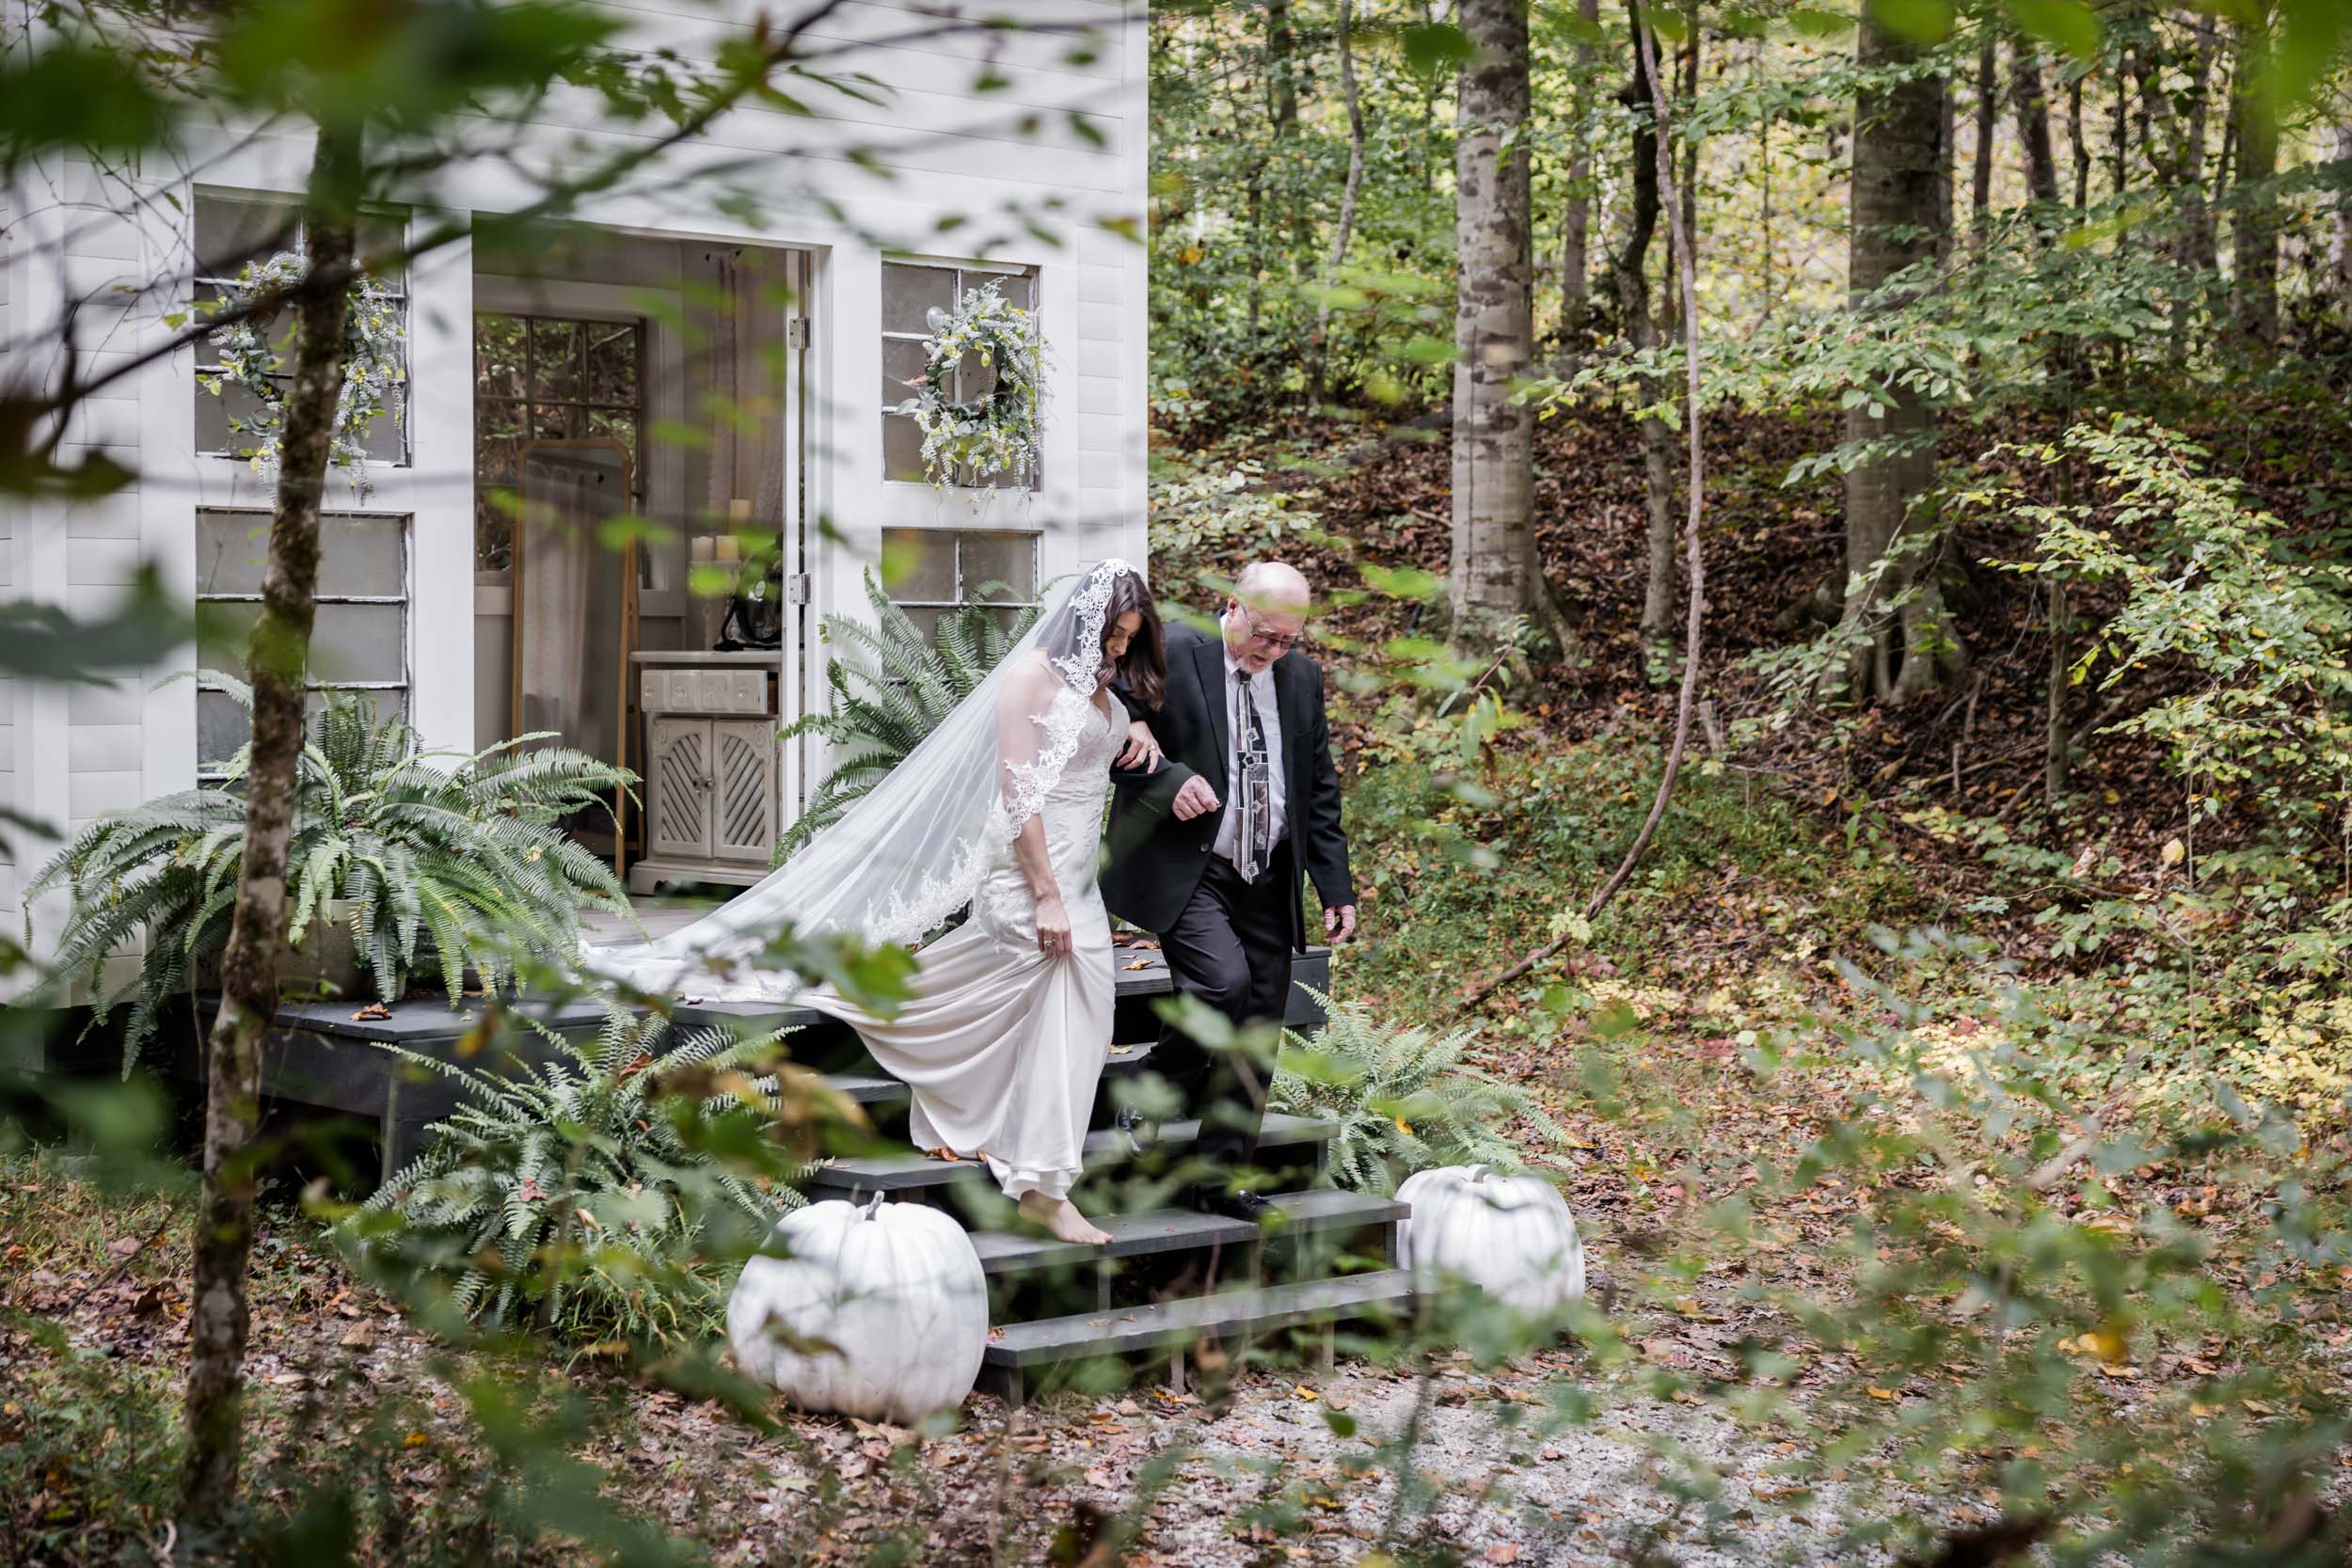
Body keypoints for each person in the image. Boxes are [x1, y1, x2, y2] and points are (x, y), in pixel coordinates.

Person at [589, 560, 1167, 1246]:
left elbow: (1097, 746)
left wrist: (1138, 729)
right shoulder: (1030, 679)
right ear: (1084, 619)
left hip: (1079, 881)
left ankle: (890, 1012)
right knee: (1073, 1007)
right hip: (1032, 876)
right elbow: (1020, 797)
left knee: (1069, 1012)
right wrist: (1044, 896)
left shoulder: (1096, 682)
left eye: (1129, 638)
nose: (1119, 650)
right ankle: (1044, 1187)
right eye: (1112, 635)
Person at [1103, 562, 1358, 1222]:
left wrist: (1334, 883)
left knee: (1256, 1027)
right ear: (1233, 606)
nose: (1272, 651)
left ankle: (1220, 1180)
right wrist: (1162, 768)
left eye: (1287, 641)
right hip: (1193, 865)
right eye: (1264, 635)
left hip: (1269, 870)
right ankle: (1148, 1082)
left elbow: (1318, 786)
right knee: (1222, 985)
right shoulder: (1176, 648)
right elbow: (1109, 720)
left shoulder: (1300, 680)